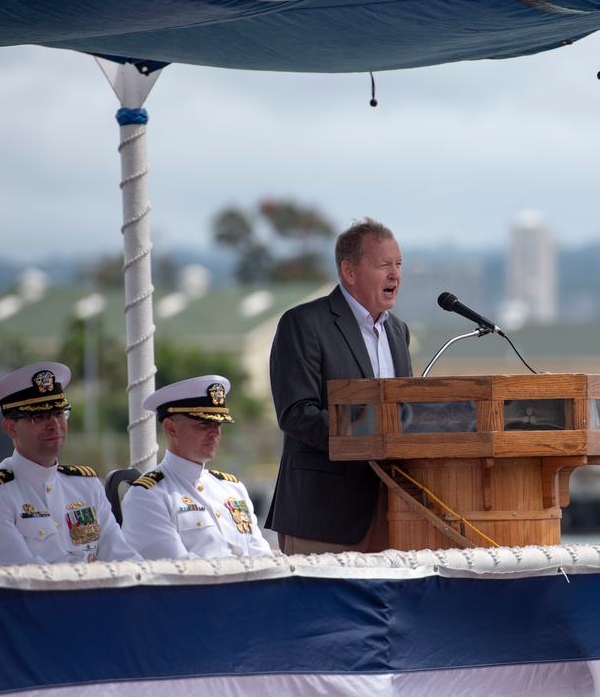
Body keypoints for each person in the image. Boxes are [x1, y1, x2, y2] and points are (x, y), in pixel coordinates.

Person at [266, 217, 413, 555]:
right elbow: (297, 414)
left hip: (392, 512)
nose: (395, 275)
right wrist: (370, 434)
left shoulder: (398, 332)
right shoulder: (303, 324)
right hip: (324, 515)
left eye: (399, 265)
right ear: (349, 271)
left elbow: (404, 413)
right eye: (384, 265)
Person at [0, 361, 142, 566]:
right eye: (39, 416)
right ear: (11, 428)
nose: (54, 425)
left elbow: (123, 558)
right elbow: (23, 579)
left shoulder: (85, 485)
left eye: (59, 413)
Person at [120, 375, 274, 560]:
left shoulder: (233, 489)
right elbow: (178, 570)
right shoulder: (147, 496)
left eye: (219, 424)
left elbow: (262, 556)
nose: (215, 432)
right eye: (204, 423)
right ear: (171, 429)